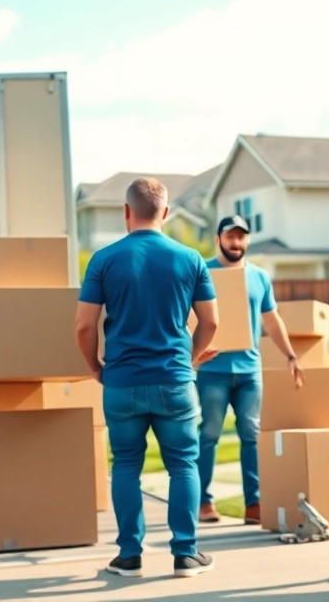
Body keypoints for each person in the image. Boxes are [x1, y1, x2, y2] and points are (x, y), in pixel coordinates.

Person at [74, 177, 221, 579]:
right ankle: (185, 554)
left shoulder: (103, 260)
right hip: (174, 378)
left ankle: (129, 555)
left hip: (121, 381)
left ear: (126, 212)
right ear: (166, 213)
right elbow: (211, 322)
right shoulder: (190, 259)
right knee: (183, 465)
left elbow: (84, 326)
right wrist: (188, 360)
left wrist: (94, 367)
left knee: (125, 465)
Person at [196, 215, 304, 526]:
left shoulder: (258, 276)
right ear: (219, 239)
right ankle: (204, 502)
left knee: (251, 435)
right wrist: (194, 350)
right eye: (230, 236)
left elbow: (271, 320)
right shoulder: (202, 271)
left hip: (249, 371)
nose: (236, 242)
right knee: (210, 433)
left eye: (241, 237)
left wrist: (291, 355)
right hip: (213, 369)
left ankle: (253, 503)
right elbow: (187, 314)